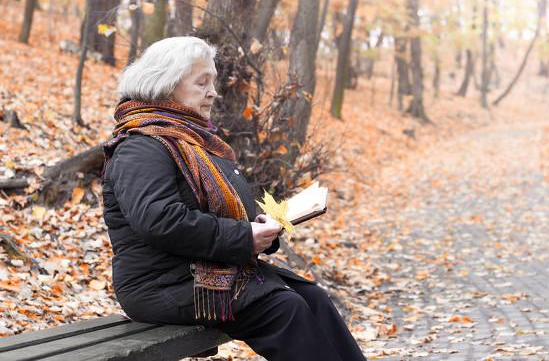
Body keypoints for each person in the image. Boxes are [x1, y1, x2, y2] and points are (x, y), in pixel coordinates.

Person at [101, 36, 365, 361]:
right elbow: (160, 220)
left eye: (212, 81)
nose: (213, 91)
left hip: (199, 272)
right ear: (165, 84)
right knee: (286, 309)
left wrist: (259, 230)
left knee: (313, 298)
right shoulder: (141, 145)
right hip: (160, 286)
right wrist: (243, 237)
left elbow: (220, 209)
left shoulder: (191, 139)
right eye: (202, 82)